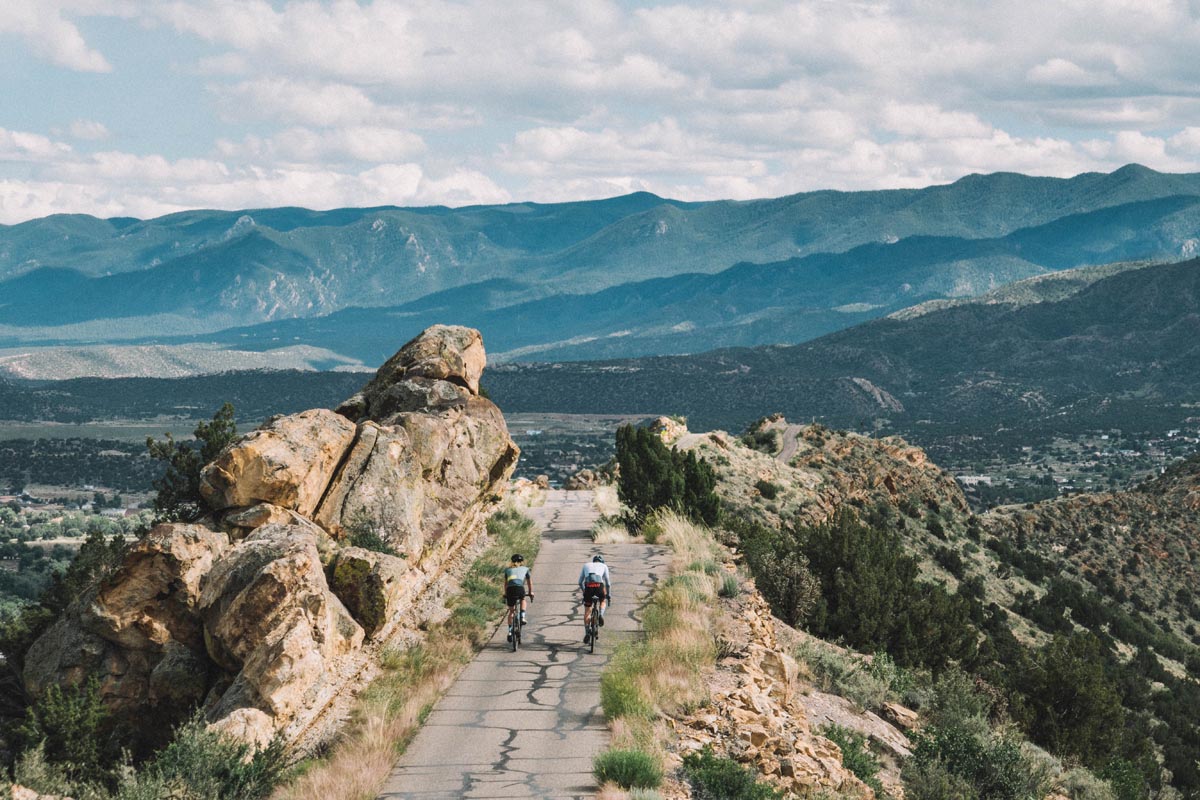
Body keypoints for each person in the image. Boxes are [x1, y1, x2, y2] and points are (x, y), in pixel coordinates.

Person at [578, 554, 611, 643]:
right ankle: (600, 614)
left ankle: (587, 632)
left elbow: (580, 582)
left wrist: (584, 591)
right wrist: (608, 595)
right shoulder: (604, 566)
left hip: (588, 587)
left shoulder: (586, 565)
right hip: (599, 586)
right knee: (602, 600)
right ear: (601, 562)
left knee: (588, 611)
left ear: (594, 561)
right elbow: (608, 583)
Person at [504, 553, 532, 642]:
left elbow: (505, 584)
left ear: (512, 561)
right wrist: (531, 592)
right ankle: (522, 616)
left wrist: (505, 594)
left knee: (511, 611)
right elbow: (529, 582)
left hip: (510, 590)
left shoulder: (507, 570)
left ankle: (509, 631)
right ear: (522, 562)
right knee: (523, 599)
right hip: (519, 588)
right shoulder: (525, 569)